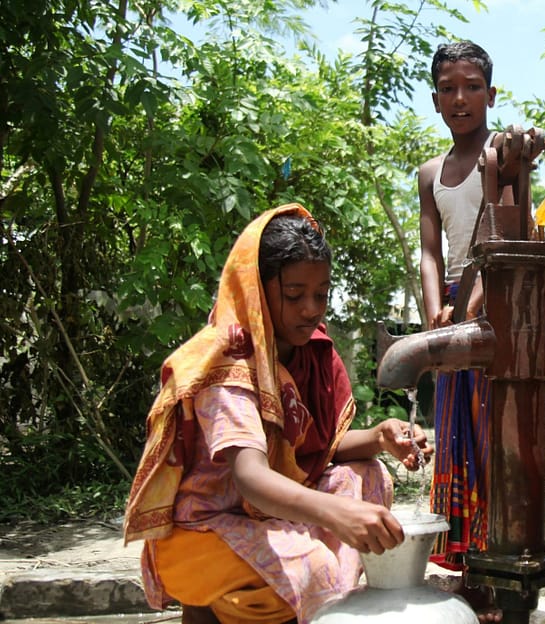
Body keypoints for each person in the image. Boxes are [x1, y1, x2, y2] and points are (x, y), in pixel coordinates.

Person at [123, 203, 433, 624]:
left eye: (321, 294)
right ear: (258, 291)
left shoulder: (310, 353)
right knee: (312, 566)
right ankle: (317, 600)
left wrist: (380, 437)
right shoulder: (228, 363)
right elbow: (251, 477)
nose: (311, 308)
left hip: (271, 509)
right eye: (294, 295)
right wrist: (336, 514)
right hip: (206, 529)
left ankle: (330, 606)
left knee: (366, 475)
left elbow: (315, 450)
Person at [416, 40, 510, 622]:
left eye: (472, 86)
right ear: (435, 100)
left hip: (498, 300)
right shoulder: (430, 173)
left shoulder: (503, 155)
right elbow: (432, 251)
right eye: (449, 88)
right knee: (454, 435)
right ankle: (468, 565)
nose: (461, 98)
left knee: (493, 434)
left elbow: (503, 230)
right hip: (452, 307)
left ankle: (499, 566)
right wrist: (436, 308)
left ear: (491, 95)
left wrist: (476, 299)